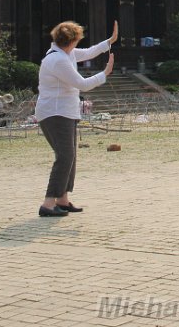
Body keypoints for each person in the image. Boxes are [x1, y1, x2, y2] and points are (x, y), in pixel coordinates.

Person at [35, 20, 118, 216]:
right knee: (65, 157)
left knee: (69, 156)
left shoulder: (65, 53)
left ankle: (62, 199)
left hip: (64, 112)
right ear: (71, 41)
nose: (78, 44)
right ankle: (48, 203)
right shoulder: (58, 60)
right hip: (55, 113)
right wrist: (104, 73)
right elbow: (82, 84)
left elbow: (89, 52)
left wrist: (110, 41)